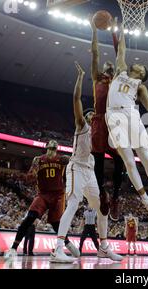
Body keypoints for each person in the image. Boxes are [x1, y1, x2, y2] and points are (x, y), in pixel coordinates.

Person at [51, 62, 122, 263]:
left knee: (102, 207)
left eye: (93, 114)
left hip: (91, 173)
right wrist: (82, 77)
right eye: (89, 114)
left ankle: (104, 247)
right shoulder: (82, 125)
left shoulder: (102, 132)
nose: (92, 116)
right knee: (73, 204)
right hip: (77, 168)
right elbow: (76, 99)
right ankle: (57, 248)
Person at [106, 25, 148, 219]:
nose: (138, 64)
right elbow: (121, 50)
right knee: (128, 162)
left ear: (142, 74)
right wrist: (123, 32)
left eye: (142, 66)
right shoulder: (121, 71)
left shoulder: (140, 86)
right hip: (112, 116)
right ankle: (146, 200)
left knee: (144, 155)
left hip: (130, 113)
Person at [4, 140, 79, 259]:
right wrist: (30, 175)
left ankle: (67, 244)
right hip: (43, 194)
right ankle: (13, 248)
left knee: (56, 223)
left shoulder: (63, 159)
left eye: (53, 149)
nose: (51, 151)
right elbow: (30, 177)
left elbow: (75, 165)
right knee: (30, 218)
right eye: (49, 149)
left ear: (57, 150)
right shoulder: (38, 160)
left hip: (58, 195)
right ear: (46, 148)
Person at [90, 20, 125, 221]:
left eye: (111, 64)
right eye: (106, 64)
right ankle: (102, 193)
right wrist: (94, 31)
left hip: (115, 122)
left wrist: (116, 33)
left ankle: (116, 196)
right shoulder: (97, 77)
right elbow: (95, 53)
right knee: (98, 163)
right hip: (99, 121)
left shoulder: (118, 78)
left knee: (120, 159)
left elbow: (120, 53)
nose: (109, 64)